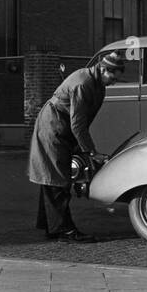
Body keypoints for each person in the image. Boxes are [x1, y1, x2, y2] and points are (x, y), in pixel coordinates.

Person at [28, 52, 125, 240]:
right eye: (112, 77)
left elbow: (83, 120)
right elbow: (78, 123)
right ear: (104, 69)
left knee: (52, 177)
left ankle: (51, 226)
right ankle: (64, 230)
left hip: (60, 128)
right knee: (57, 179)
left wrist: (81, 146)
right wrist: (91, 151)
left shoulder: (97, 83)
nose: (113, 82)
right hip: (53, 128)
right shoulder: (83, 83)